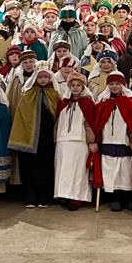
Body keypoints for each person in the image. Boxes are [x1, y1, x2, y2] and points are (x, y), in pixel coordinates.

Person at [8, 61, 60, 208]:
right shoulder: (27, 94)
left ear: (50, 78)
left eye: (46, 77)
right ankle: (31, 196)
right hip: (29, 138)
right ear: (35, 78)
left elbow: (58, 114)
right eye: (40, 77)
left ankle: (45, 196)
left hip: (46, 138)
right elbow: (21, 116)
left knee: (46, 167)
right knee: (29, 168)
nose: (43, 80)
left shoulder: (54, 94)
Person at [94, 72, 132, 212]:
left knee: (126, 172)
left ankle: (129, 198)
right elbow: (98, 123)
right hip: (108, 142)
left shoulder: (130, 102)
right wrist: (96, 140)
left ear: (122, 85)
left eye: (117, 84)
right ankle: (114, 198)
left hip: (125, 143)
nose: (114, 87)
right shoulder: (103, 102)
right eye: (111, 84)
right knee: (110, 172)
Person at [54, 73, 96, 210]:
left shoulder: (87, 103)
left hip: (79, 141)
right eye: (72, 85)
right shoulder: (63, 103)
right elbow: (57, 123)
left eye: (78, 85)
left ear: (83, 87)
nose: (75, 88)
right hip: (63, 141)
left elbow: (89, 124)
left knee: (78, 171)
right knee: (63, 169)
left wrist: (91, 141)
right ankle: (64, 194)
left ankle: (76, 197)